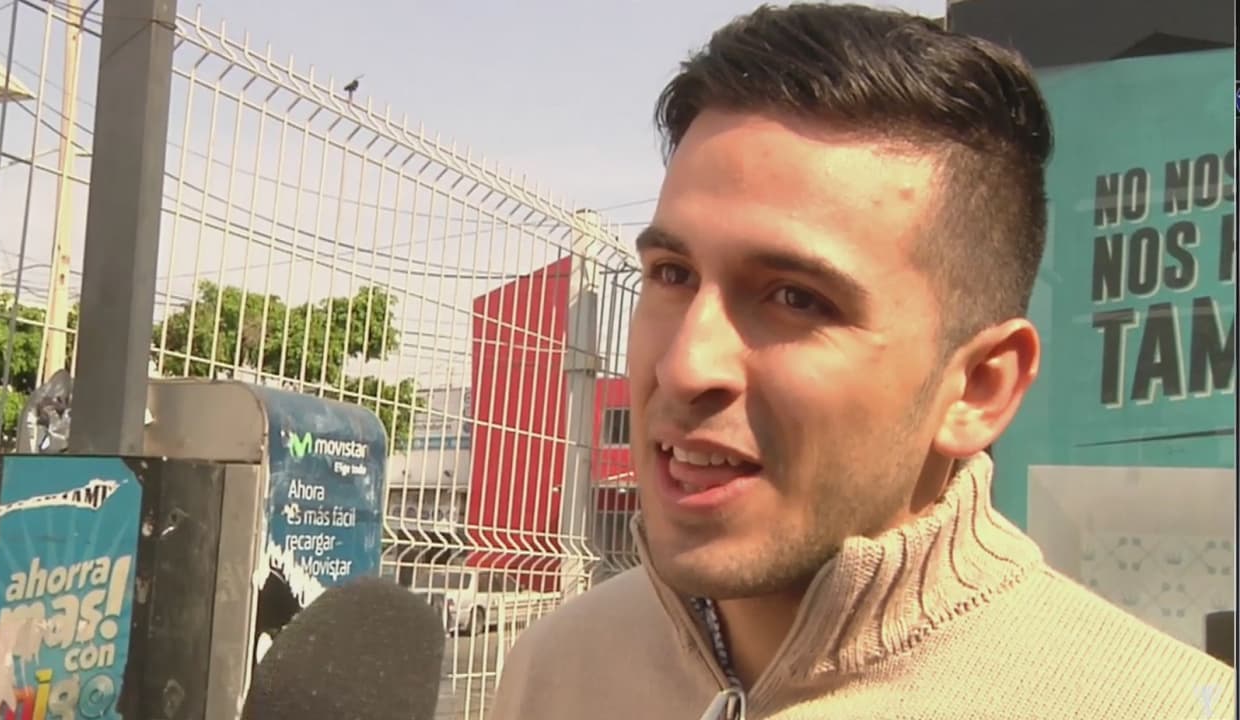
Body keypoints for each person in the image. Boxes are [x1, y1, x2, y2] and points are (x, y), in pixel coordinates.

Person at [489, 4, 1236, 719]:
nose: (686, 366)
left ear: (979, 388)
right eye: (673, 274)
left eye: (796, 298)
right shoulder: (557, 669)